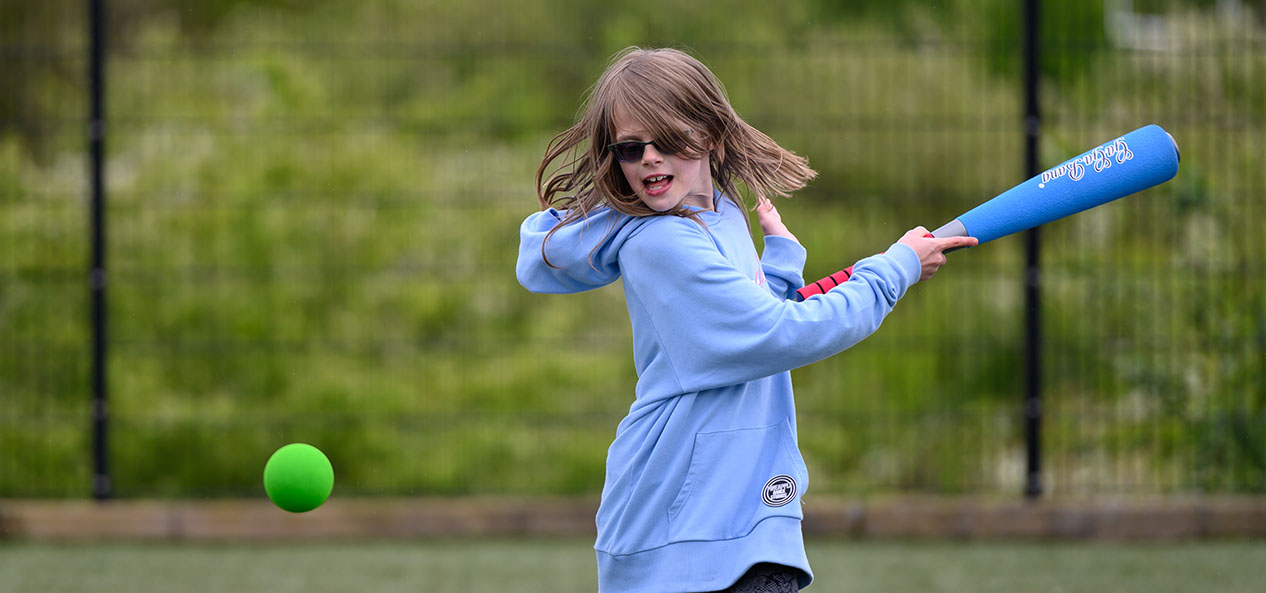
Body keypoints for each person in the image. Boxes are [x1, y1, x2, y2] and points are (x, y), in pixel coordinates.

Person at [515, 46, 976, 593]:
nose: (650, 159)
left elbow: (750, 330)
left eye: (669, 139)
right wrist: (892, 270)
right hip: (682, 527)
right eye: (632, 148)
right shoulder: (662, 243)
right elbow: (780, 335)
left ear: (709, 134)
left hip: (743, 513)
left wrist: (779, 269)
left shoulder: (721, 213)